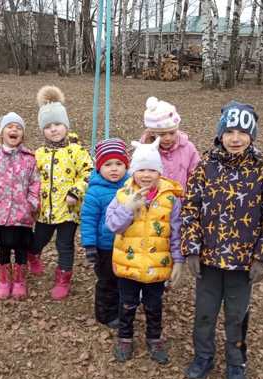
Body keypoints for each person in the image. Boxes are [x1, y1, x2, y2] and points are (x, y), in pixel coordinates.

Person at [180, 101, 263, 379]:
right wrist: (191, 248)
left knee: (236, 317)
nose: (235, 138)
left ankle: (236, 363)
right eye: (229, 131)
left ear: (252, 134)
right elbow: (190, 208)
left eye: (242, 131)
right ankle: (203, 357)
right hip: (209, 261)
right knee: (204, 313)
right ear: (220, 134)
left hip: (243, 264)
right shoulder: (205, 167)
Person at [105, 137, 185, 364]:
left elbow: (177, 231)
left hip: (156, 264)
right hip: (128, 263)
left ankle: (154, 337)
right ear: (133, 171)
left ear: (160, 171)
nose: (146, 175)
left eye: (152, 169)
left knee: (154, 304)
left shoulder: (170, 199)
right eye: (141, 169)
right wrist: (129, 208)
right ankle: (125, 336)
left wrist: (178, 261)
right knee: (127, 302)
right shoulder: (122, 195)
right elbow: (112, 225)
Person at [27, 86, 93, 300]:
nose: (53, 129)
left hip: (69, 209)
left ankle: (63, 278)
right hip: (45, 211)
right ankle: (33, 255)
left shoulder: (76, 151)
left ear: (65, 125)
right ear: (42, 130)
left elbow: (88, 172)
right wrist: (30, 200)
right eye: (48, 126)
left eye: (57, 124)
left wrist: (76, 191)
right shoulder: (38, 154)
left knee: (64, 245)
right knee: (39, 239)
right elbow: (30, 178)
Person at [0, 112, 40, 299]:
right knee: (3, 248)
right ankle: (4, 280)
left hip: (22, 214)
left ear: (23, 135)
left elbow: (35, 183)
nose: (14, 130)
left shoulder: (29, 159)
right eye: (10, 127)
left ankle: (20, 280)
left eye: (18, 128)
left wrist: (32, 203)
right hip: (0, 214)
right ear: (1, 133)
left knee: (21, 248)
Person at [80, 138, 129, 328]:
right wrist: (90, 245)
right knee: (107, 281)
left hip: (126, 244)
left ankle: (122, 307)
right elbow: (88, 220)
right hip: (104, 246)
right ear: (99, 167)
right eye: (108, 164)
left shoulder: (130, 187)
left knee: (123, 280)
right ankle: (105, 314)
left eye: (119, 164)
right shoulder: (95, 192)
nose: (114, 169)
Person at [139, 96, 200, 189]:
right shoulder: (145, 151)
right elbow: (137, 175)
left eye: (172, 133)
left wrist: (192, 196)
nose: (168, 138)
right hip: (155, 201)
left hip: (183, 199)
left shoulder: (187, 148)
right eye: (162, 134)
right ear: (152, 133)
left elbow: (196, 174)